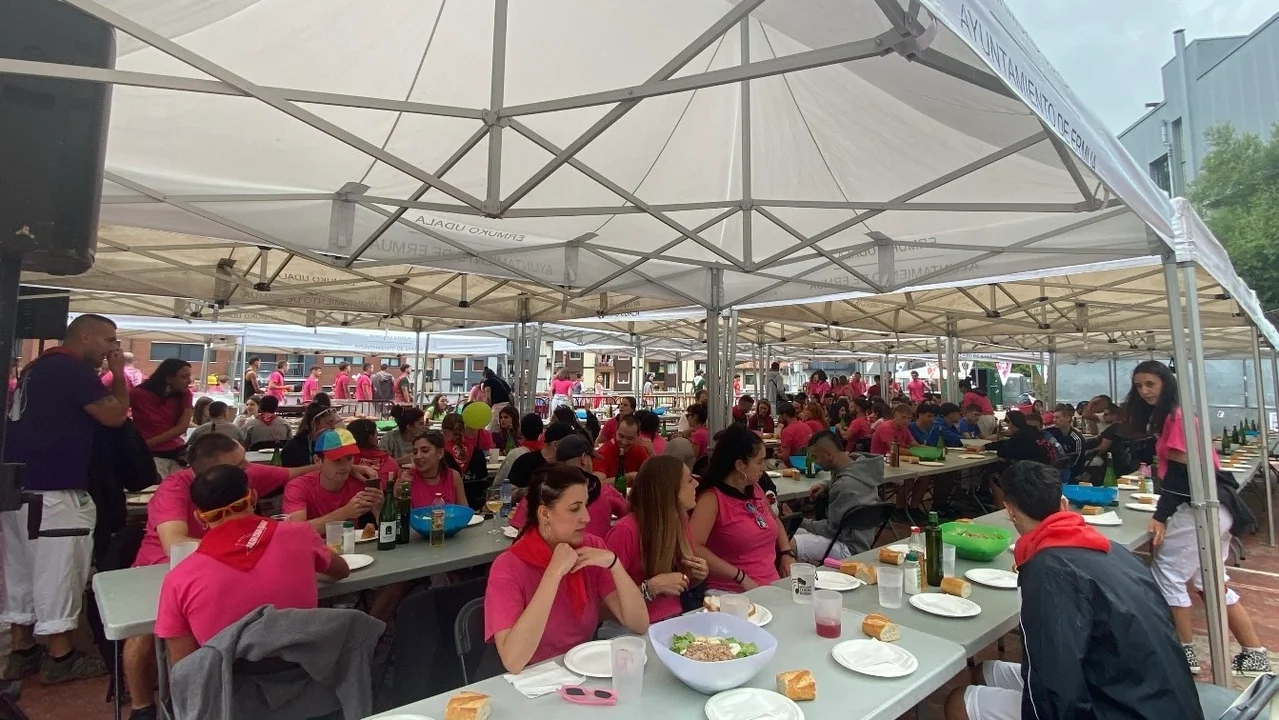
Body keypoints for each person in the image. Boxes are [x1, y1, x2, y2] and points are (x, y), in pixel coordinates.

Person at [944, 461, 1201, 720]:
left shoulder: (1049, 572)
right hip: (1158, 695)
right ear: (1064, 504)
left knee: (958, 702)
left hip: (1119, 707)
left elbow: (1055, 682)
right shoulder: (1113, 550)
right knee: (984, 672)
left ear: (1010, 511)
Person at [121, 434, 323, 718]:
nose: (248, 468)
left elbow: (291, 473)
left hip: (217, 568)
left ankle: (214, 689)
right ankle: (143, 706)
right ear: (210, 473)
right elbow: (174, 543)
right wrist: (243, 543)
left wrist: (339, 466)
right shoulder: (174, 489)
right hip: (159, 568)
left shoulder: (241, 477)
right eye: (240, 465)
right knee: (142, 630)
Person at [1, 314, 127, 684]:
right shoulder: (70, 369)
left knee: (21, 571)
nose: (113, 348)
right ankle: (61, 656)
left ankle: (23, 649)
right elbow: (114, 416)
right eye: (109, 340)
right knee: (59, 571)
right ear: (85, 337)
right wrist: (119, 376)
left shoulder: (36, 368)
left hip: (19, 487)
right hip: (55, 489)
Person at [1124, 360, 1270, 675]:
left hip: (1198, 507)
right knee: (1211, 582)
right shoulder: (1175, 416)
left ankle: (1183, 653)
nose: (1144, 391)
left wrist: (1161, 515)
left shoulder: (1176, 417)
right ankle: (1254, 653)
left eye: (1150, 384)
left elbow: (1180, 472)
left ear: (1166, 383)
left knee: (1168, 576)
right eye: (1138, 386)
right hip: (1216, 506)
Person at [154, 465, 350, 666]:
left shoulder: (178, 580)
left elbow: (184, 667)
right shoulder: (300, 535)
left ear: (199, 517)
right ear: (254, 497)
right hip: (310, 674)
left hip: (229, 683)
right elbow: (341, 570)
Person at [484, 465, 648, 673]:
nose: (587, 517)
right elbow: (513, 661)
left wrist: (615, 564)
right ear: (545, 514)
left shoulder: (591, 548)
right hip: (533, 678)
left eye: (586, 505)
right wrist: (553, 573)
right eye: (574, 508)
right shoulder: (508, 566)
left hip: (586, 669)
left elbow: (639, 623)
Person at [606, 456, 709, 623]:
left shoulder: (679, 520)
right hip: (632, 627)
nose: (696, 484)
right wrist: (650, 588)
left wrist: (697, 575)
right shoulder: (625, 531)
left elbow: (679, 584)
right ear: (669, 490)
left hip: (674, 619)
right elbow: (602, 606)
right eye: (689, 480)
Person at [692, 426, 795, 592]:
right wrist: (739, 576)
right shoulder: (712, 499)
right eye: (759, 462)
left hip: (769, 586)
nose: (763, 468)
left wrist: (786, 553)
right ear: (740, 465)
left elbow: (774, 520)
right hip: (730, 592)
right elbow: (695, 547)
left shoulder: (755, 489)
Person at [796, 432, 885, 561]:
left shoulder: (844, 486)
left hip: (849, 548)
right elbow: (845, 481)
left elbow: (830, 530)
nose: (814, 461)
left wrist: (800, 521)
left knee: (791, 541)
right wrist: (826, 485)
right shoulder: (860, 469)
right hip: (863, 539)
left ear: (828, 455)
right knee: (793, 534)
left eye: (815, 457)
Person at [283, 428, 386, 532]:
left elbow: (386, 528)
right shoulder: (298, 487)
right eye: (337, 460)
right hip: (313, 542)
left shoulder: (361, 480)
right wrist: (345, 513)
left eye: (349, 458)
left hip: (351, 541)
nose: (344, 466)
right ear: (317, 460)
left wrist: (380, 509)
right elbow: (296, 531)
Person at [130, 358, 195, 476]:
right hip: (151, 454)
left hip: (174, 450)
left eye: (189, 376)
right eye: (184, 377)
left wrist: (146, 444)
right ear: (168, 378)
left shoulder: (185, 395)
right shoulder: (138, 394)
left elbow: (182, 427)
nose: (189, 381)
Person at [403, 431, 466, 507]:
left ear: (440, 453)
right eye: (415, 452)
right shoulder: (408, 478)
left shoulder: (453, 476)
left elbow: (464, 510)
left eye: (425, 451)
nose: (418, 456)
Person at [508, 422, 574, 488]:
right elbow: (510, 490)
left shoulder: (568, 467)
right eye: (569, 444)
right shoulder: (525, 462)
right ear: (555, 445)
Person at [279, 402, 340, 467]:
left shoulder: (333, 444)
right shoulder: (293, 448)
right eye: (329, 423)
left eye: (334, 423)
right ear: (314, 424)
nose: (333, 428)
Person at [594, 415, 649, 486]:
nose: (624, 442)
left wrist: (652, 452)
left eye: (630, 438)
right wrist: (629, 477)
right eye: (621, 436)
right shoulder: (603, 452)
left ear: (638, 436)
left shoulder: (640, 450)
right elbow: (597, 484)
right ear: (616, 431)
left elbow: (653, 476)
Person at [1046, 403, 1087, 483]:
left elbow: (1075, 463)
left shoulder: (1076, 439)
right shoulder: (1052, 433)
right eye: (1054, 417)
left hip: (1072, 474)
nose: (1054, 420)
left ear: (1068, 418)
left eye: (1057, 417)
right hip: (1055, 471)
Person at [776, 401, 813, 466]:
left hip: (791, 465)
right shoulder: (807, 427)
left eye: (779, 416)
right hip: (806, 463)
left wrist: (776, 454)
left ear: (784, 415)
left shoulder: (787, 431)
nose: (779, 418)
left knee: (766, 463)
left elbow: (785, 457)